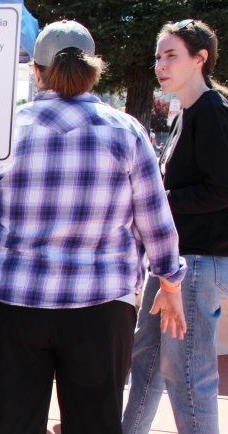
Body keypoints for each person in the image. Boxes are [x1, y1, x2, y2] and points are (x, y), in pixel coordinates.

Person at [0, 21, 187, 433]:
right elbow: (156, 222)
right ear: (94, 70)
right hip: (102, 307)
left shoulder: (1, 131)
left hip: (15, 303)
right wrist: (170, 284)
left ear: (36, 71)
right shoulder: (126, 131)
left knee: (12, 425)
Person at [123, 19, 228, 434]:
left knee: (186, 375)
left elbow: (222, 189)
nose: (161, 65)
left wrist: (160, 200)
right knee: (146, 361)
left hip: (198, 262)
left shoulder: (212, 112)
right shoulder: (187, 113)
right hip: (174, 262)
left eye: (171, 55)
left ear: (200, 59)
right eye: (158, 57)